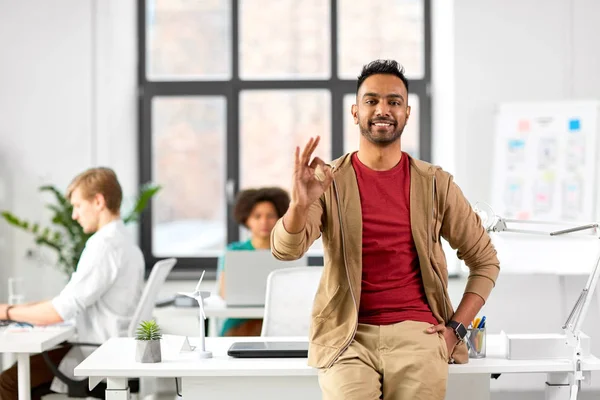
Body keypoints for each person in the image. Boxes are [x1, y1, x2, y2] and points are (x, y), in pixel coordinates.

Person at [271, 59, 500, 400]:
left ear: (407, 113)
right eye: (371, 100)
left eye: (394, 102)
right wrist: (300, 204)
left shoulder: (436, 183)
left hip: (419, 334)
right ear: (355, 112)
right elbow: (285, 250)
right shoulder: (327, 181)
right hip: (347, 337)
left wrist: (455, 329)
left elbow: (486, 262)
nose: (383, 109)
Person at [0, 167, 145, 399]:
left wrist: (7, 311)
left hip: (96, 352)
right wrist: (24, 309)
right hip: (114, 347)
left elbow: (59, 311)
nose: (75, 215)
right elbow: (68, 300)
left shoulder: (103, 245)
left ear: (98, 201)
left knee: (8, 383)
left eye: (78, 206)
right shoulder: (126, 243)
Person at [217, 187, 290, 336]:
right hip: (239, 324)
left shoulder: (289, 252)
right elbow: (224, 293)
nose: (264, 222)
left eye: (270, 216)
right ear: (247, 220)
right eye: (257, 216)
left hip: (280, 322)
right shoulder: (233, 252)